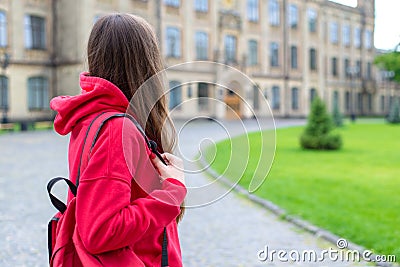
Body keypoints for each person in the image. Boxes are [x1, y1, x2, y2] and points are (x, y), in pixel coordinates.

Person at [50, 13, 186, 266]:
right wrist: (172, 192)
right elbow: (101, 231)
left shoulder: (93, 117)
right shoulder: (117, 129)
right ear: (148, 62)